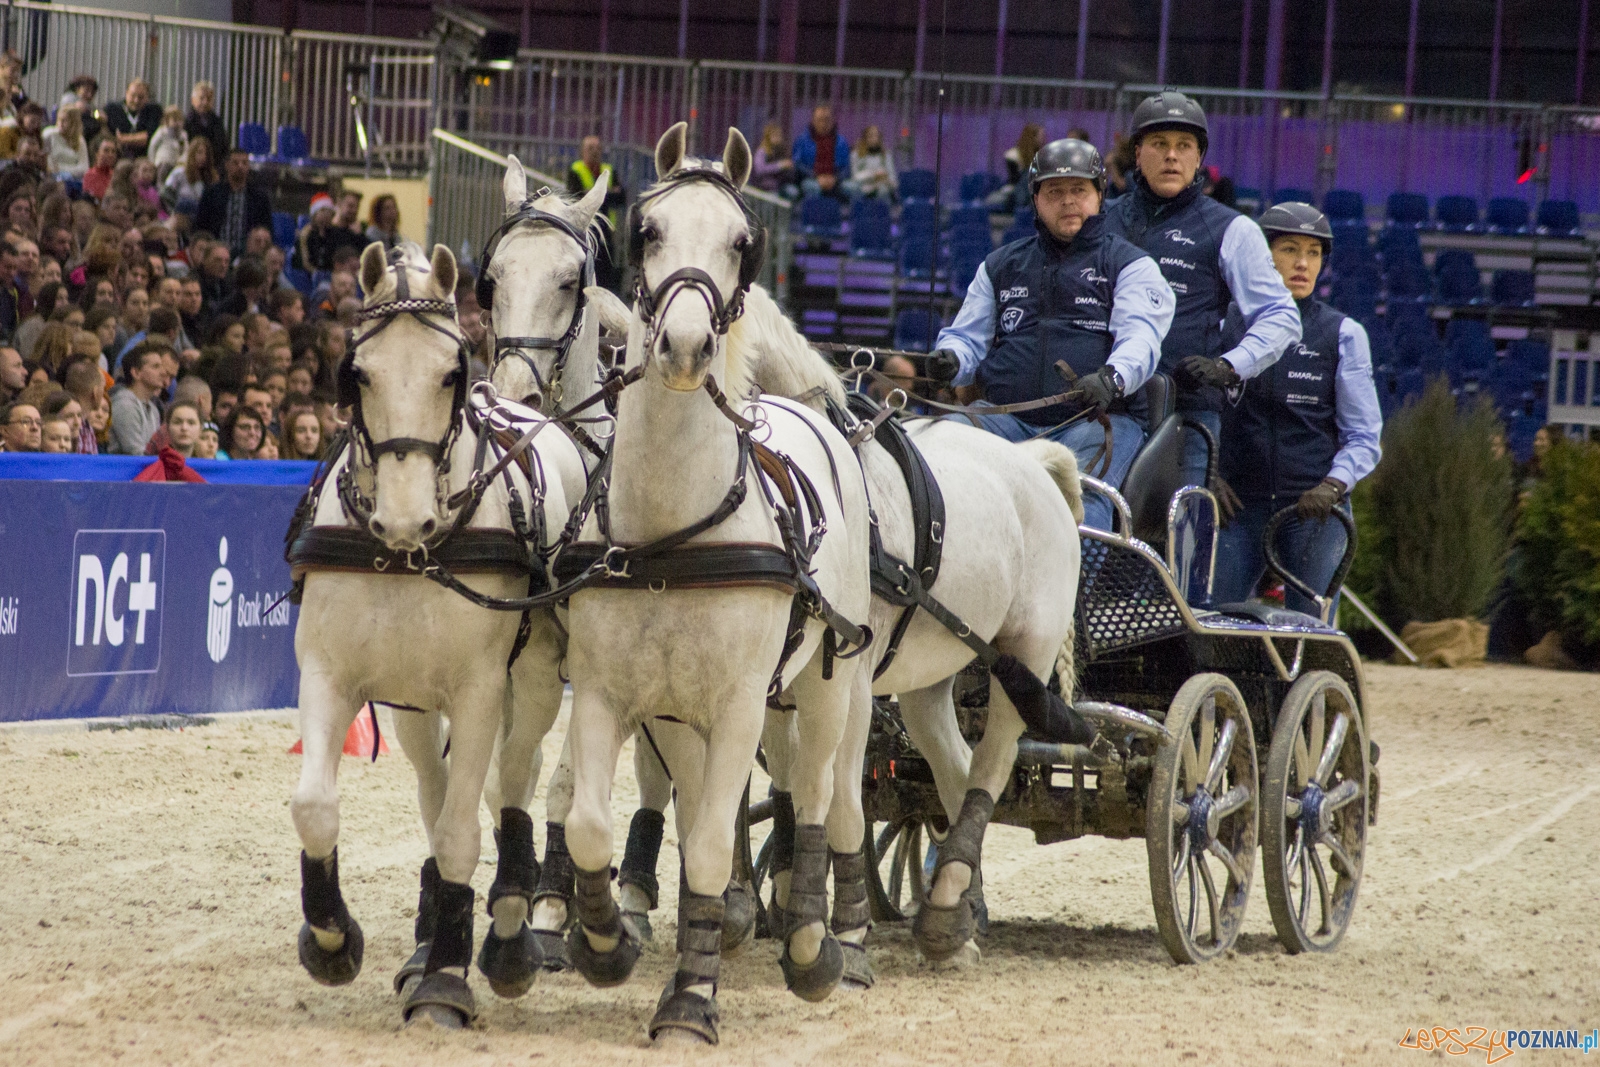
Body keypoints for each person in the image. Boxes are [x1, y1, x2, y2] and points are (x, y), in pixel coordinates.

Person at [926, 139, 1174, 531]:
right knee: (939, 447)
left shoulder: (1130, 264)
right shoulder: (1000, 264)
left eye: (1079, 190)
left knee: (1073, 495)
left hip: (1094, 421)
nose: (1068, 201)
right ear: (1036, 200)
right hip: (1005, 418)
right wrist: (951, 359)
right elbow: (967, 338)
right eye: (1055, 192)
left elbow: (1141, 338)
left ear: (1099, 195)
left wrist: (1113, 377)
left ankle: (1076, 589)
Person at [1102, 91, 1301, 492]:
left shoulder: (1232, 228)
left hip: (1187, 416)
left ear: (1198, 159)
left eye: (1184, 146)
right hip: (1103, 409)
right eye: (1159, 144)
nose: (1171, 156)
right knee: (1093, 532)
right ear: (1137, 154)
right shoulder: (1101, 220)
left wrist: (1227, 367)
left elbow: (1281, 317)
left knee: (1181, 545)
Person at [1212, 203, 1383, 618]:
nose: (1303, 263)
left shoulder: (1344, 334)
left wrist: (1333, 486)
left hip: (1313, 508)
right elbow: (1200, 410)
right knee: (1211, 622)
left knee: (1310, 629)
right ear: (1262, 254)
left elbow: (1364, 437)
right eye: (1289, 249)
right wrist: (1208, 472)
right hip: (1239, 505)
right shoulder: (1224, 326)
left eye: (1314, 252)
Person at [566, 134, 628, 291]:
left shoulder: (609, 170)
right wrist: (607, 193)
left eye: (597, 148)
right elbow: (575, 195)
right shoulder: (575, 170)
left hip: (606, 232)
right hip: (583, 231)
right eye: (590, 148)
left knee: (605, 277)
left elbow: (621, 197)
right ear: (582, 152)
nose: (594, 151)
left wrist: (593, 193)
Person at [196, 149, 272, 258]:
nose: (240, 166)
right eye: (236, 163)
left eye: (244, 163)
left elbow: (266, 228)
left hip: (248, 256)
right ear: (227, 165)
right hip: (217, 252)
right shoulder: (212, 193)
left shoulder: (260, 197)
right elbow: (201, 226)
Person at [108, 341, 170, 454]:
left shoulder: (154, 409)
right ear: (136, 373)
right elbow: (136, 453)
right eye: (156, 367)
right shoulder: (125, 405)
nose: (163, 372)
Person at [792, 105, 854, 202]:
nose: (823, 124)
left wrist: (835, 179)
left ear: (833, 121)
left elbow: (847, 168)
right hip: (811, 179)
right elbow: (797, 164)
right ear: (813, 121)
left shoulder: (841, 142)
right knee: (812, 187)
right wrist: (817, 177)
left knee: (853, 188)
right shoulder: (802, 140)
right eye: (820, 120)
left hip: (835, 180)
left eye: (827, 120)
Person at [104, 78, 163, 159]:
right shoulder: (112, 109)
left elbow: (148, 137)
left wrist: (122, 139)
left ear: (147, 97)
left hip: (145, 156)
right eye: (133, 96)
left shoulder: (154, 110)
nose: (136, 101)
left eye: (141, 97)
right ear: (126, 93)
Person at [183, 80, 229, 159]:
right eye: (201, 98)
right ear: (193, 100)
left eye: (208, 98)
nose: (205, 102)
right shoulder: (186, 122)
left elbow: (223, 146)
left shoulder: (217, 122)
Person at [849, 125, 897, 201]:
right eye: (871, 136)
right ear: (864, 138)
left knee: (884, 190)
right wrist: (873, 175)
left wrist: (887, 180)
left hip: (882, 188)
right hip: (863, 188)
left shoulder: (886, 155)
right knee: (852, 188)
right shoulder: (856, 154)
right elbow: (855, 177)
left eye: (877, 136)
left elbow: (893, 180)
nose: (874, 139)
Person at [751, 122, 798, 199]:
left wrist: (788, 167)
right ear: (768, 137)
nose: (778, 138)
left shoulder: (782, 150)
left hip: (781, 183)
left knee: (793, 192)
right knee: (774, 194)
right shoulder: (762, 151)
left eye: (779, 135)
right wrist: (779, 165)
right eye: (775, 136)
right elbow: (760, 169)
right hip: (766, 185)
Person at [148, 106, 188, 175]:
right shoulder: (162, 132)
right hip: (163, 161)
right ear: (167, 121)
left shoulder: (183, 135)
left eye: (180, 120)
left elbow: (185, 148)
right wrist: (152, 162)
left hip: (176, 162)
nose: (177, 123)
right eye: (175, 120)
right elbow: (153, 146)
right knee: (163, 173)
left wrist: (183, 159)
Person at [82, 136, 118, 201]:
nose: (110, 155)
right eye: (106, 151)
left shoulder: (116, 176)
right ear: (97, 154)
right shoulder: (89, 175)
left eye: (113, 151)